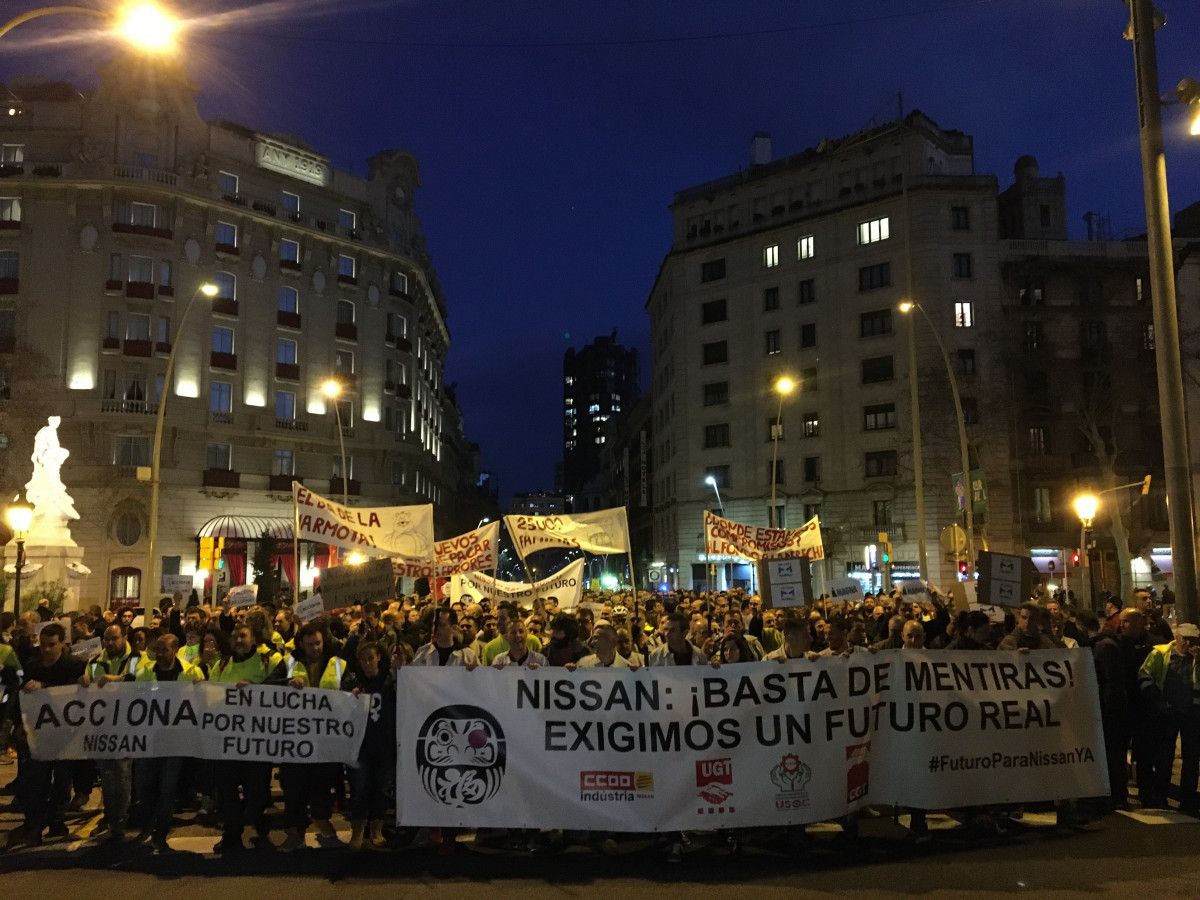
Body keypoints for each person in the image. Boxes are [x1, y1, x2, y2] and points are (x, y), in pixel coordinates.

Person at [267, 623, 347, 849]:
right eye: (310, 644)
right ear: (301, 644)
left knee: (323, 784)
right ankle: (296, 831)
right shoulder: (288, 664)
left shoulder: (339, 664)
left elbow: (350, 687)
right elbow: (268, 686)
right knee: (294, 786)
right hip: (295, 737)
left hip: (326, 737)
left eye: (318, 643)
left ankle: (322, 822)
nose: (315, 648)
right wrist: (287, 683)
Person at [5, 624, 85, 850]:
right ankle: (34, 826)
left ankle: (57, 821)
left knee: (62, 781)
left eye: (52, 645)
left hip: (65, 735)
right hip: (39, 735)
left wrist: (46, 687)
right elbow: (20, 696)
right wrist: (18, 724)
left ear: (62, 644)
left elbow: (77, 692)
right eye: (43, 644)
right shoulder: (32, 666)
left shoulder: (74, 666)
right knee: (36, 782)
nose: (47, 650)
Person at [207, 624, 278, 853]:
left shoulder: (268, 662)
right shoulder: (222, 664)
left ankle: (258, 824)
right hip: (228, 738)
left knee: (256, 789)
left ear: (253, 639)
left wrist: (255, 691)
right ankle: (231, 834)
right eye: (235, 636)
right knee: (226, 789)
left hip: (257, 738)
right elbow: (211, 693)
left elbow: (281, 687)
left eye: (243, 636)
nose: (238, 639)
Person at [81, 624, 154, 844]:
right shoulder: (94, 663)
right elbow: (86, 686)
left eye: (114, 639)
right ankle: (112, 819)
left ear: (124, 637)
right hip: (103, 728)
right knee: (107, 777)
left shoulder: (138, 659)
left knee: (123, 775)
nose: (110, 643)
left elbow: (145, 681)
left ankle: (120, 821)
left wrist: (118, 680)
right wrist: (82, 683)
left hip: (128, 726)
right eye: (107, 639)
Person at [133, 633, 205, 852]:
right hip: (150, 738)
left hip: (176, 740)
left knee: (167, 788)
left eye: (165, 650)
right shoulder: (145, 673)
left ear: (175, 650)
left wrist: (201, 687)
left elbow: (202, 702)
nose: (160, 655)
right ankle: (148, 826)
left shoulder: (192, 672)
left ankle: (160, 833)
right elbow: (132, 701)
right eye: (158, 650)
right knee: (144, 787)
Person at [341, 642, 400, 849]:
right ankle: (358, 830)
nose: (367, 663)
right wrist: (350, 697)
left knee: (382, 789)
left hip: (385, 745)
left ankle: (376, 828)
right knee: (359, 789)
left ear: (379, 659)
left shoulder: (390, 681)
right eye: (363, 659)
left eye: (371, 658)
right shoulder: (352, 681)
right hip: (360, 747)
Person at [1137, 622, 1200, 810]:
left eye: (1194, 640)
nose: (1189, 644)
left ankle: (1187, 799)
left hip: (1191, 713)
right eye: (1186, 639)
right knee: (1165, 756)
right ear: (1177, 637)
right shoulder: (1160, 654)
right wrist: (1158, 702)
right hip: (1167, 712)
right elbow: (1144, 676)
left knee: (1192, 757)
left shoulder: (1197, 658)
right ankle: (1161, 795)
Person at [412, 608, 478, 667]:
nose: (436, 628)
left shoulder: (467, 655)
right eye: (434, 624)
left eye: (441, 625)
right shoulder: (423, 652)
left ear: (454, 628)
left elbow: (479, 678)